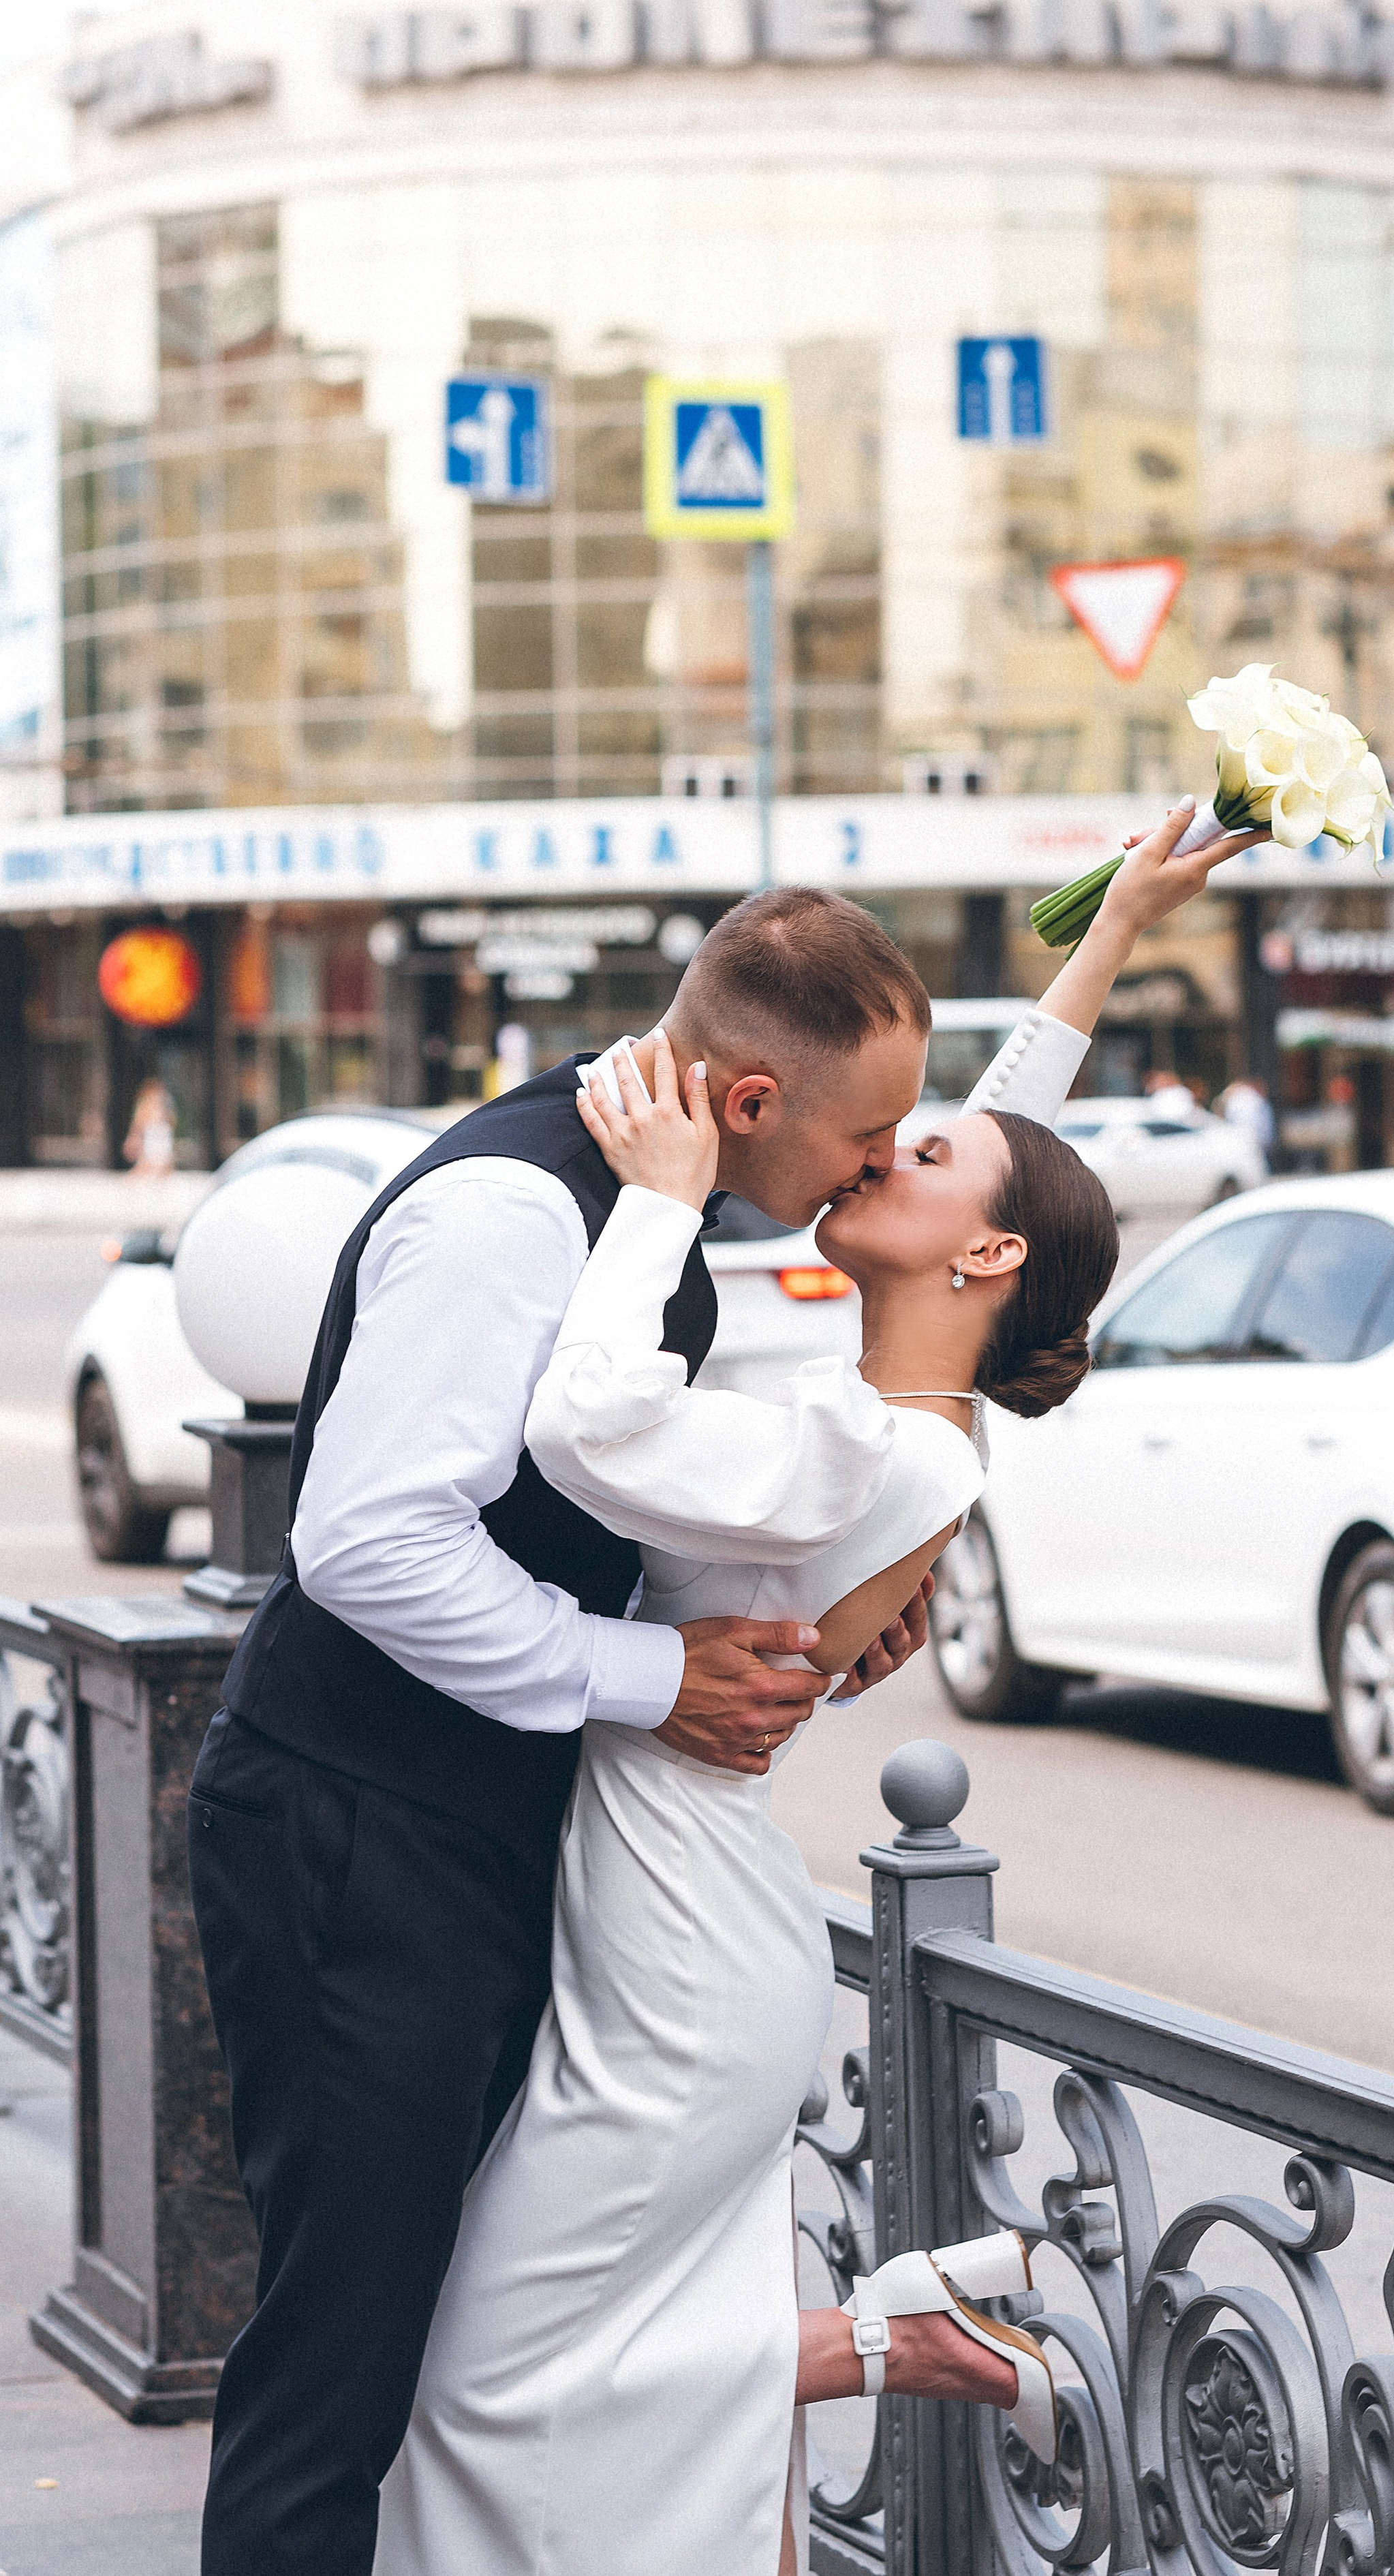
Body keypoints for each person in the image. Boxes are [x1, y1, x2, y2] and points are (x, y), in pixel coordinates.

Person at [189, 798, 1258, 2575]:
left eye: (902, 1157)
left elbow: (970, 1218)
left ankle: (857, 2363)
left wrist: (789, 1635)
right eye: (867, 1141)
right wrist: (668, 1668)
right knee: (363, 2358)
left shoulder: (790, 1326)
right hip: (373, 1835)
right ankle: (877, 2347)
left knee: (452, 2352)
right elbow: (367, 1545)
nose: (877, 1166)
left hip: (601, 1882)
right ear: (752, 1105)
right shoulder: (519, 1220)